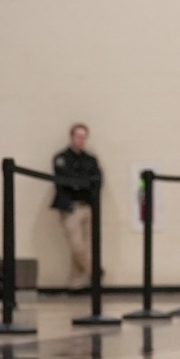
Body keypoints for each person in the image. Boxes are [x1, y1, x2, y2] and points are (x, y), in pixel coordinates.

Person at [52, 123, 102, 290]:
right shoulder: (61, 158)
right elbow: (65, 181)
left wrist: (85, 189)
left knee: (86, 245)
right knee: (76, 245)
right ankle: (95, 272)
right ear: (71, 137)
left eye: (83, 137)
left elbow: (96, 181)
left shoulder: (90, 159)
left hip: (87, 205)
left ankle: (76, 282)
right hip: (70, 206)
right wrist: (80, 183)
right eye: (77, 136)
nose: (80, 140)